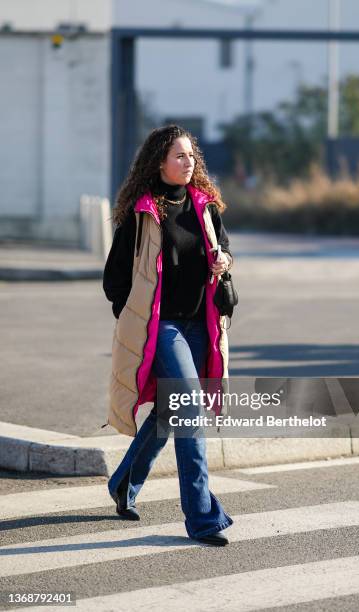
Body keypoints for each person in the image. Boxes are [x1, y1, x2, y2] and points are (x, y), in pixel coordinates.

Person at [103, 124, 234, 546]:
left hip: (201, 325)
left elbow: (225, 249)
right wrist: (135, 319)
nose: (188, 162)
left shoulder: (205, 206)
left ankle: (124, 482)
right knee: (190, 411)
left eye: (191, 155)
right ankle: (202, 518)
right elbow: (114, 279)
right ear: (159, 161)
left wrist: (222, 262)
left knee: (168, 412)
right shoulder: (142, 213)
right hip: (163, 328)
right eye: (179, 156)